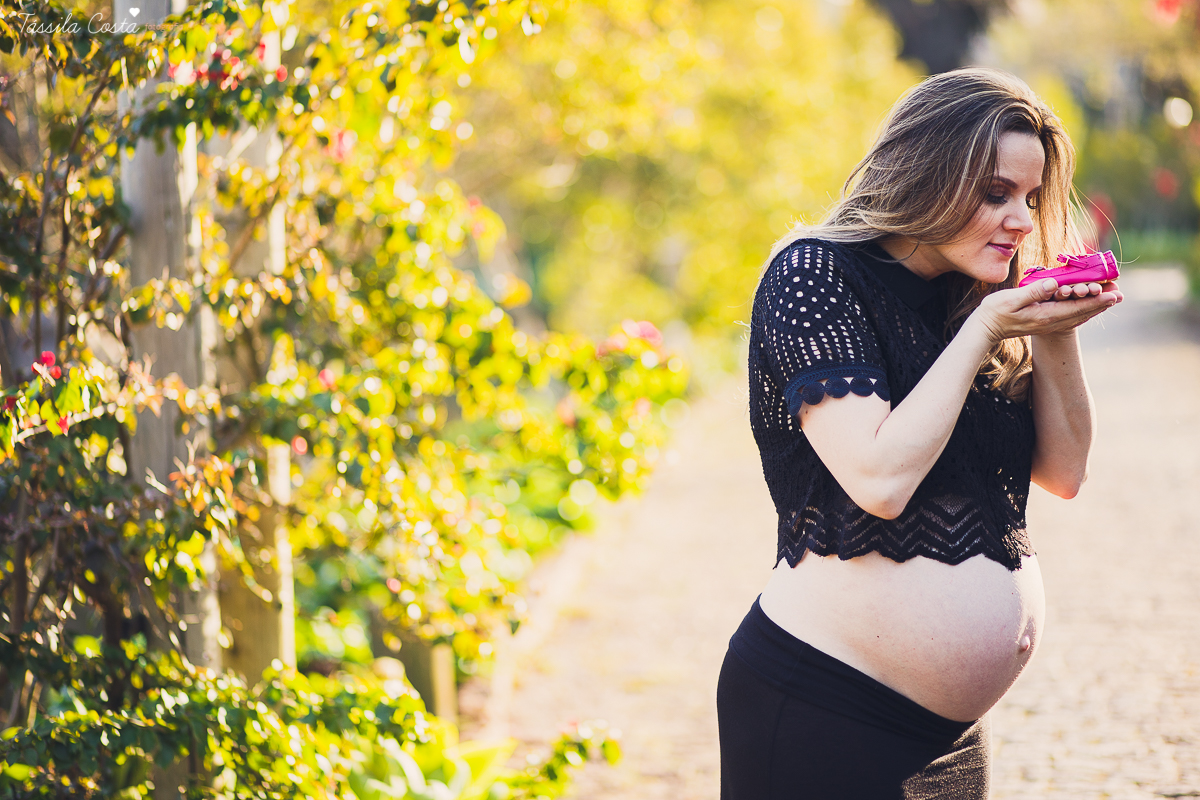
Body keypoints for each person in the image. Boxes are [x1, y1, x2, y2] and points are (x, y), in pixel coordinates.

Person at [716, 67, 1123, 799]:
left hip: (951, 735)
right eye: (995, 193)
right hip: (822, 709)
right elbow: (879, 481)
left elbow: (1065, 473)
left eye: (1031, 198)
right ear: (925, 177)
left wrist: (1055, 328)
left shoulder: (979, 292)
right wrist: (988, 328)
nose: (1022, 221)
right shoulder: (813, 275)